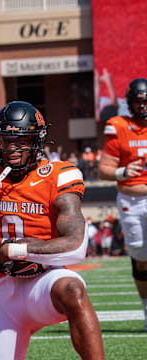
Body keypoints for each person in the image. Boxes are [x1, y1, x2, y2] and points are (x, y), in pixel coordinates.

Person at [0, 101, 105, 359]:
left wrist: (17, 250)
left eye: (21, 141)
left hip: (45, 281)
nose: (12, 148)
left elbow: (77, 246)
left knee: (73, 289)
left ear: (37, 141)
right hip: (6, 289)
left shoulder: (57, 174)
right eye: (6, 140)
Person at [98, 77, 147, 331]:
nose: (142, 106)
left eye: (145, 101)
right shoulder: (118, 126)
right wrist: (122, 171)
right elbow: (103, 170)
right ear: (130, 103)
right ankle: (146, 307)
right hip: (131, 199)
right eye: (138, 102)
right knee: (140, 259)